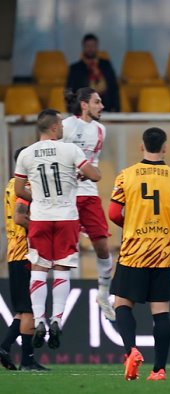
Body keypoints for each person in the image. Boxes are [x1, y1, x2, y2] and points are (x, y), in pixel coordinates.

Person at [108, 127, 170, 381]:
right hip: (162, 253)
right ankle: (159, 370)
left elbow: (113, 213)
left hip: (134, 251)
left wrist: (132, 225)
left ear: (141, 146)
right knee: (161, 311)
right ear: (165, 147)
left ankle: (131, 350)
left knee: (122, 304)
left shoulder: (126, 176)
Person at [14, 109, 101, 351]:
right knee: (62, 268)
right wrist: (79, 177)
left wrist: (39, 197)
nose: (63, 127)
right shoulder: (70, 149)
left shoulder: (27, 154)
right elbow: (96, 175)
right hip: (66, 217)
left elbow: (19, 190)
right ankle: (57, 320)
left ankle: (40, 319)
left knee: (39, 268)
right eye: (60, 123)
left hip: (41, 217)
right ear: (53, 127)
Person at [62, 87, 115, 321]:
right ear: (84, 104)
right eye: (97, 102)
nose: (101, 106)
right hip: (67, 195)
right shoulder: (65, 126)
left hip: (89, 194)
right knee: (66, 251)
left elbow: (94, 163)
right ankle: (59, 309)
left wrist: (91, 172)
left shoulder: (101, 130)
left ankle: (103, 293)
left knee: (103, 246)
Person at [0, 147, 48, 371]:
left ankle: (5, 347)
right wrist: (43, 229)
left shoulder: (10, 185)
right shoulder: (26, 186)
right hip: (25, 252)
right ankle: (28, 360)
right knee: (29, 309)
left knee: (21, 310)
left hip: (13, 251)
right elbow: (21, 218)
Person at [66, 34, 120, 112]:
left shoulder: (106, 65)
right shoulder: (75, 68)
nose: (90, 48)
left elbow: (114, 88)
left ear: (97, 47)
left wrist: (116, 110)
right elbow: (69, 91)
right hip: (84, 112)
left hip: (106, 109)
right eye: (88, 46)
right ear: (83, 47)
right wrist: (73, 111)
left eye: (93, 45)